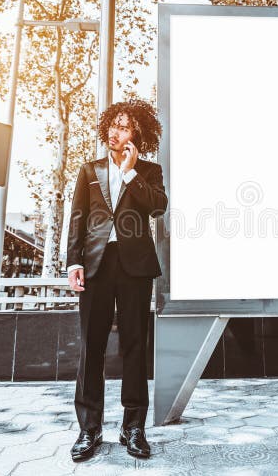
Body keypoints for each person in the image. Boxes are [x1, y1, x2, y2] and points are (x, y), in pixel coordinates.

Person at [66, 100, 167, 462]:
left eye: (124, 127)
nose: (116, 131)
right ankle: (89, 428)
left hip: (135, 267)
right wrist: (72, 262)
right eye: (113, 125)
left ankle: (133, 427)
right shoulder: (88, 169)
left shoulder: (149, 171)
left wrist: (128, 172)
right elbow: (77, 217)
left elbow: (158, 206)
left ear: (136, 133)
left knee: (135, 346)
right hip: (95, 266)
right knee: (91, 347)